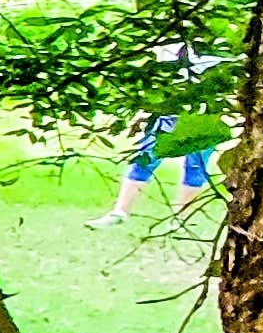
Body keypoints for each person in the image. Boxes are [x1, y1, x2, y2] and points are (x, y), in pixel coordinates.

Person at [96, 42, 224, 226]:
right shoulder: (172, 44)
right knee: (145, 158)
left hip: (203, 116)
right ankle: (120, 212)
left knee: (196, 166)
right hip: (168, 113)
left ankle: (180, 219)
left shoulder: (219, 49)